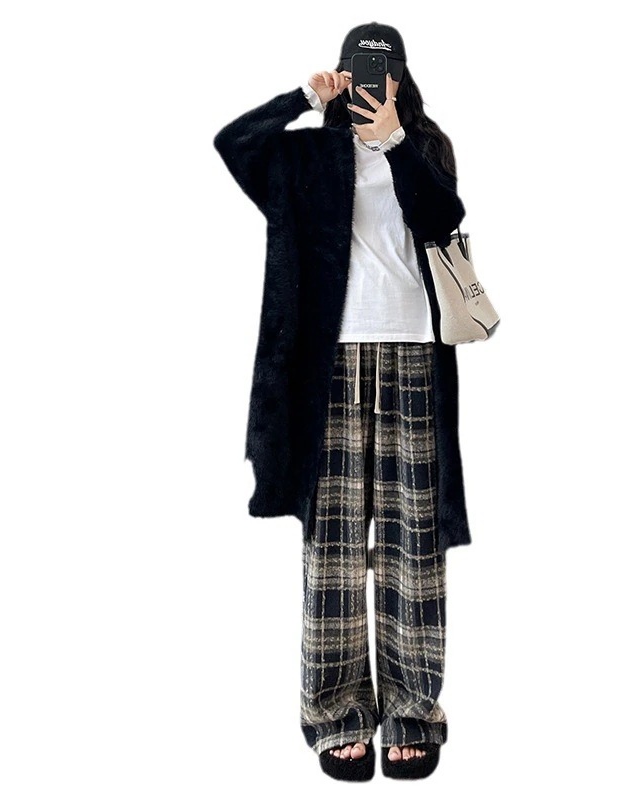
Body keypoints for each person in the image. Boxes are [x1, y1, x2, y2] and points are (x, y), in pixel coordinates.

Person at [212, 21, 473, 781]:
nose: (372, 85)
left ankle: (413, 712)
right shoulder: (308, 155)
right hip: (327, 364)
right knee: (331, 544)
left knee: (413, 543)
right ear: (343, 73)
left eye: (383, 73)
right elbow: (234, 144)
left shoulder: (426, 147)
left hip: (414, 355)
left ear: (402, 77)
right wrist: (301, 98)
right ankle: (336, 713)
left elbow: (444, 219)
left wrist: (394, 140)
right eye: (359, 72)